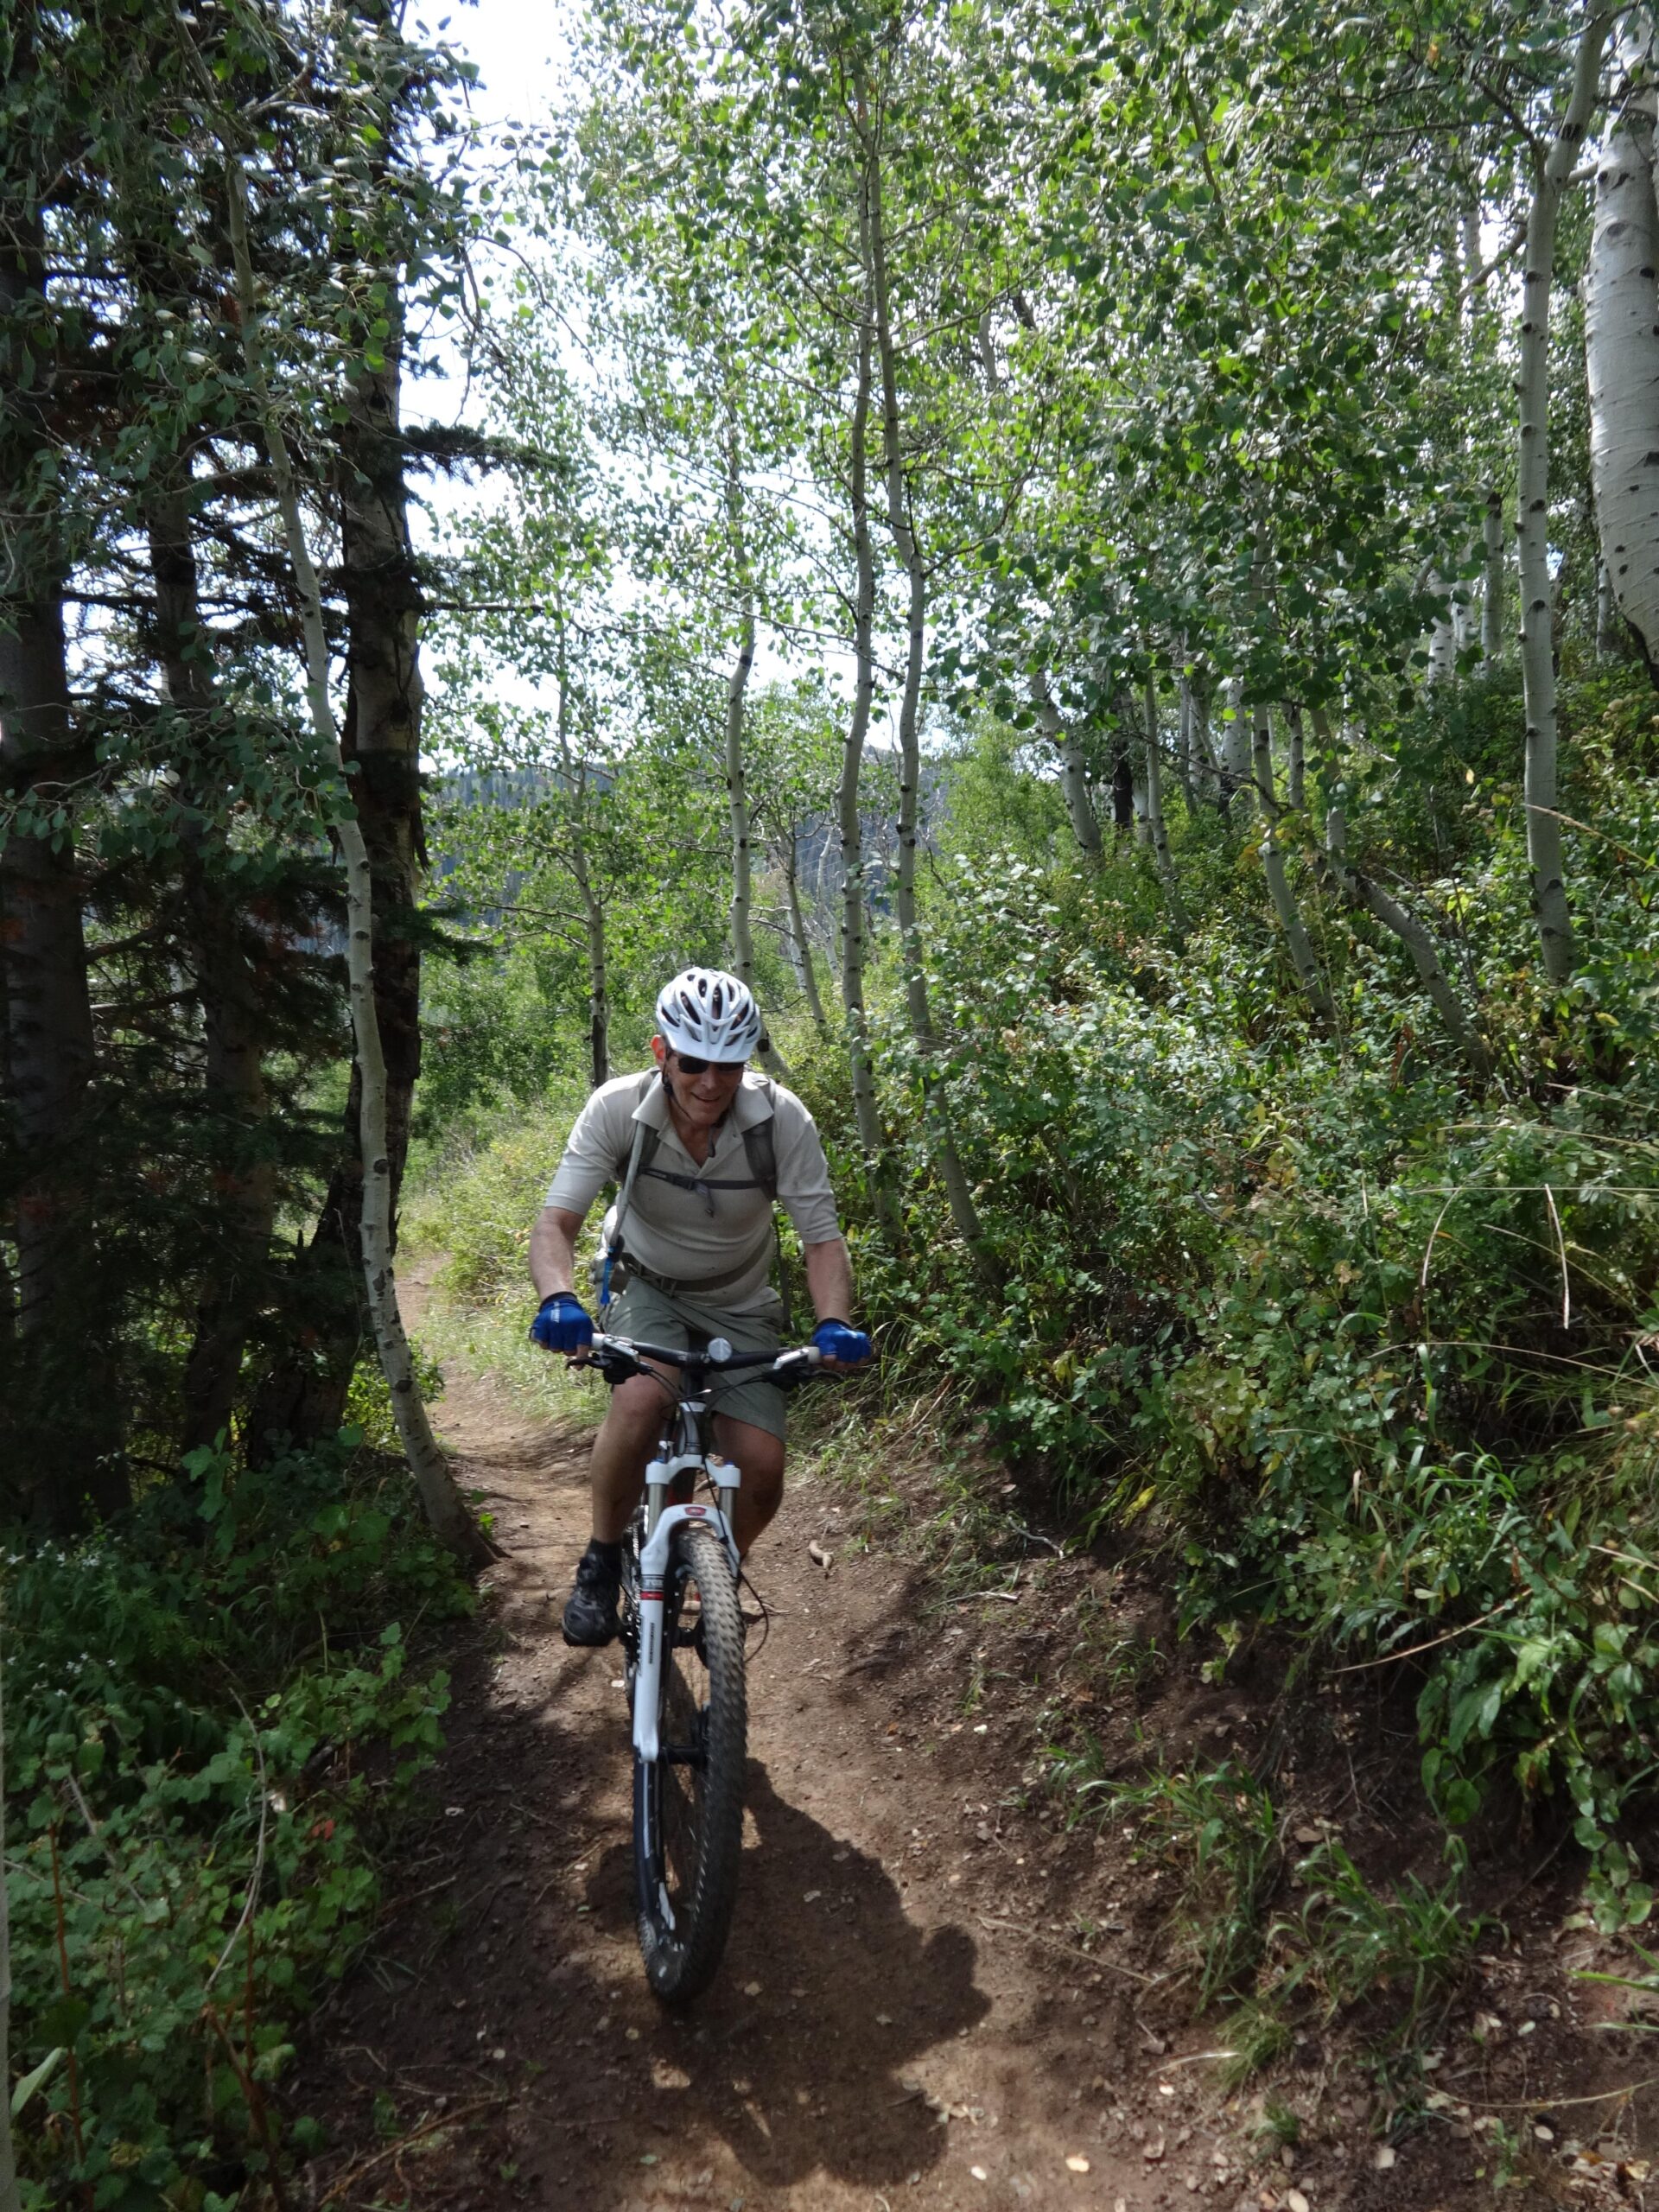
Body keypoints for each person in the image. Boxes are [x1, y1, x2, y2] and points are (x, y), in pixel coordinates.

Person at [528, 967, 873, 1646]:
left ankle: (707, 1568)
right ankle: (600, 1559)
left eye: (729, 1066)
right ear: (661, 1053)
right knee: (640, 1401)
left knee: (763, 1466)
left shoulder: (782, 1121)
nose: (711, 1083)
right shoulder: (615, 1109)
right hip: (647, 1285)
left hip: (741, 1303)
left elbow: (822, 1241)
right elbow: (554, 1225)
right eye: (693, 1063)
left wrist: (835, 1321)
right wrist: (559, 1298)